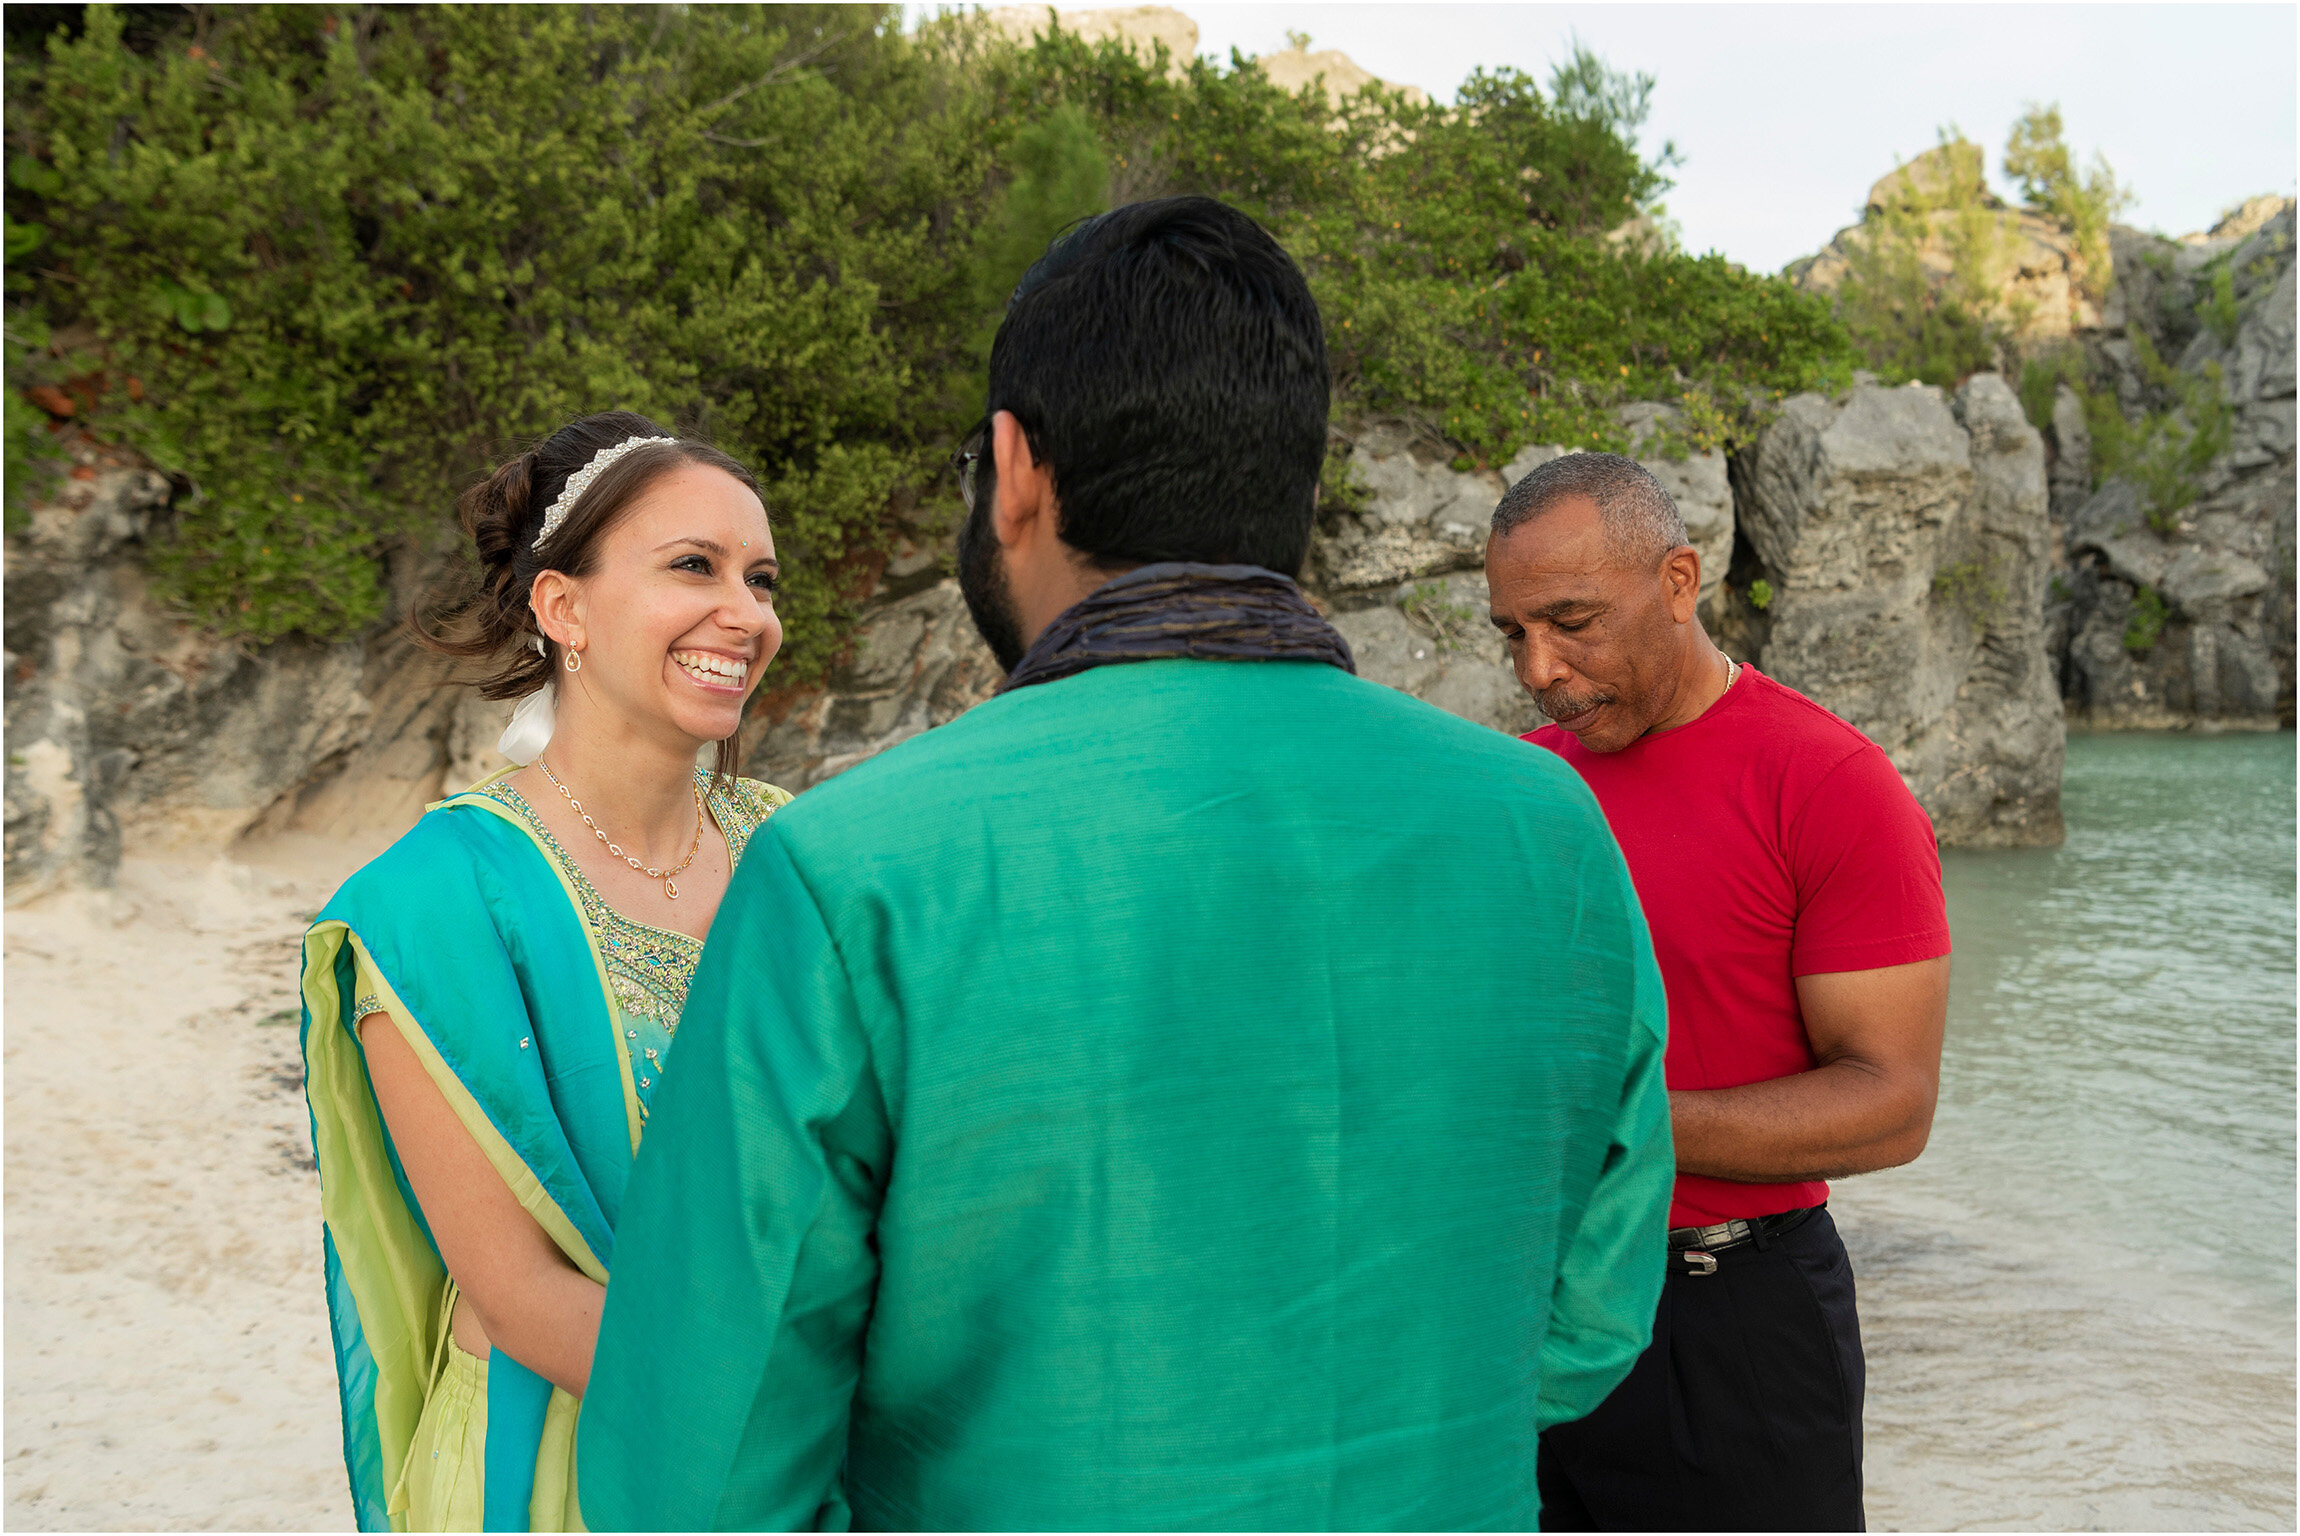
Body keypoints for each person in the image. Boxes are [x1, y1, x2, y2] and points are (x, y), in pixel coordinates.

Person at [576, 196, 1675, 1531]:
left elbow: (706, 1450)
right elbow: (1592, 1317)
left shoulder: (850, 868)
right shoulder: (1547, 831)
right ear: (1303, 492)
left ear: (1015, 471)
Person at [299, 410, 794, 1531]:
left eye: (760, 579)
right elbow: (520, 1291)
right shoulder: (435, 903)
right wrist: (793, 1417)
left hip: (789, 1455)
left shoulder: (791, 854)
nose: (745, 613)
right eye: (692, 567)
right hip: (561, 1457)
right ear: (561, 606)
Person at [1483, 452, 1953, 1532]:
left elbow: (1891, 1102)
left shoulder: (1831, 785)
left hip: (1731, 1326)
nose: (1537, 670)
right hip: (1526, 1309)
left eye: (1570, 622)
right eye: (1512, 633)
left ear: (1679, 581)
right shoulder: (1526, 788)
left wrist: (1613, 1127)